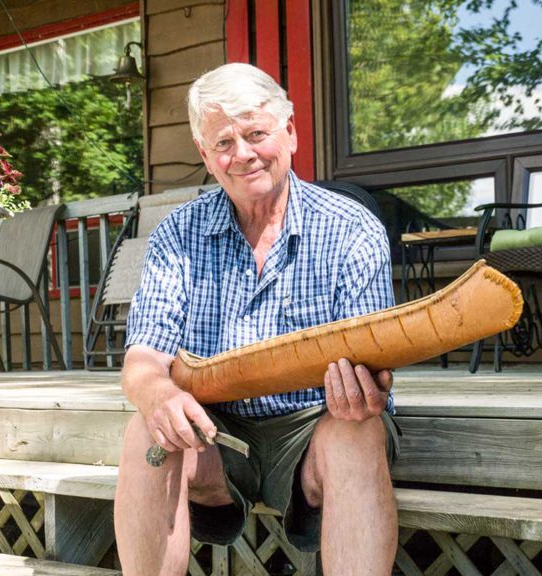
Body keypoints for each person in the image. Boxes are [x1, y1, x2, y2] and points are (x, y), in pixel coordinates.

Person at [114, 62, 399, 576]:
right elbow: (142, 360)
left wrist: (368, 389)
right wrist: (158, 395)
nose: (242, 154)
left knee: (358, 431)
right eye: (223, 142)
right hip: (216, 435)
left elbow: (373, 365)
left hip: (320, 428)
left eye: (255, 133)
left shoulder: (352, 229)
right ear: (205, 154)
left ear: (289, 133)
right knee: (147, 430)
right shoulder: (176, 236)